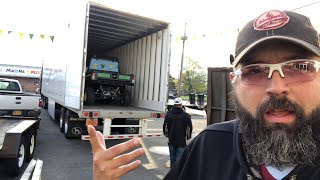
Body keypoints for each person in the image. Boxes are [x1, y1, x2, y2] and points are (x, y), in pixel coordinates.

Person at [88, 9, 320, 180]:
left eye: (299, 67)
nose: (277, 87)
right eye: (255, 71)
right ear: (234, 84)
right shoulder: (208, 147)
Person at [163, 97, 192, 168]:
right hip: (181, 141)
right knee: (179, 159)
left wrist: (167, 135)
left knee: (172, 159)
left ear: (174, 105)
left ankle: (172, 175)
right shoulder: (186, 115)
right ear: (181, 104)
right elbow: (190, 128)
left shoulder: (169, 114)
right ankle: (177, 175)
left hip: (171, 140)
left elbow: (165, 127)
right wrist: (188, 137)